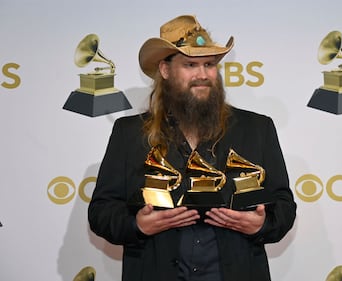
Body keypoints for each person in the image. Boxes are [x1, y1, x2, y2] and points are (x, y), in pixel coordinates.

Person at [88, 14, 297, 281]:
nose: (203, 75)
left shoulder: (257, 128)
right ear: (165, 70)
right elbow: (101, 212)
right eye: (190, 64)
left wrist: (261, 224)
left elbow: (284, 207)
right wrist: (137, 225)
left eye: (209, 64)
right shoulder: (129, 134)